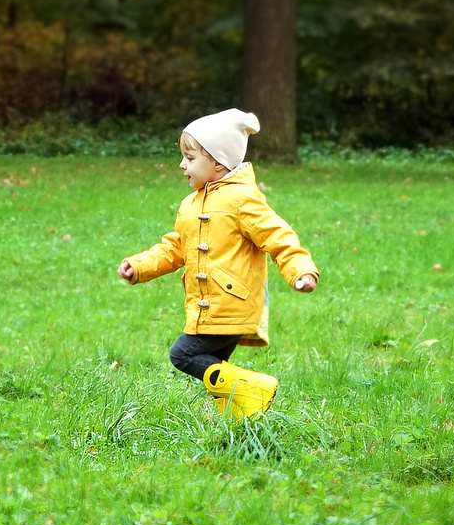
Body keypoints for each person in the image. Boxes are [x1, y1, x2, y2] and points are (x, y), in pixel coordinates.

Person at [116, 109, 318, 420]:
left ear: (218, 163)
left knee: (182, 355)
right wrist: (139, 265)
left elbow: (277, 235)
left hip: (230, 303)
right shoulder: (191, 204)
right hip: (208, 305)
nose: (182, 164)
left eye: (190, 157)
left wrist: (299, 269)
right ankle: (243, 421)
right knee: (215, 369)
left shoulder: (241, 199)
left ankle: (257, 388)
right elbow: (175, 246)